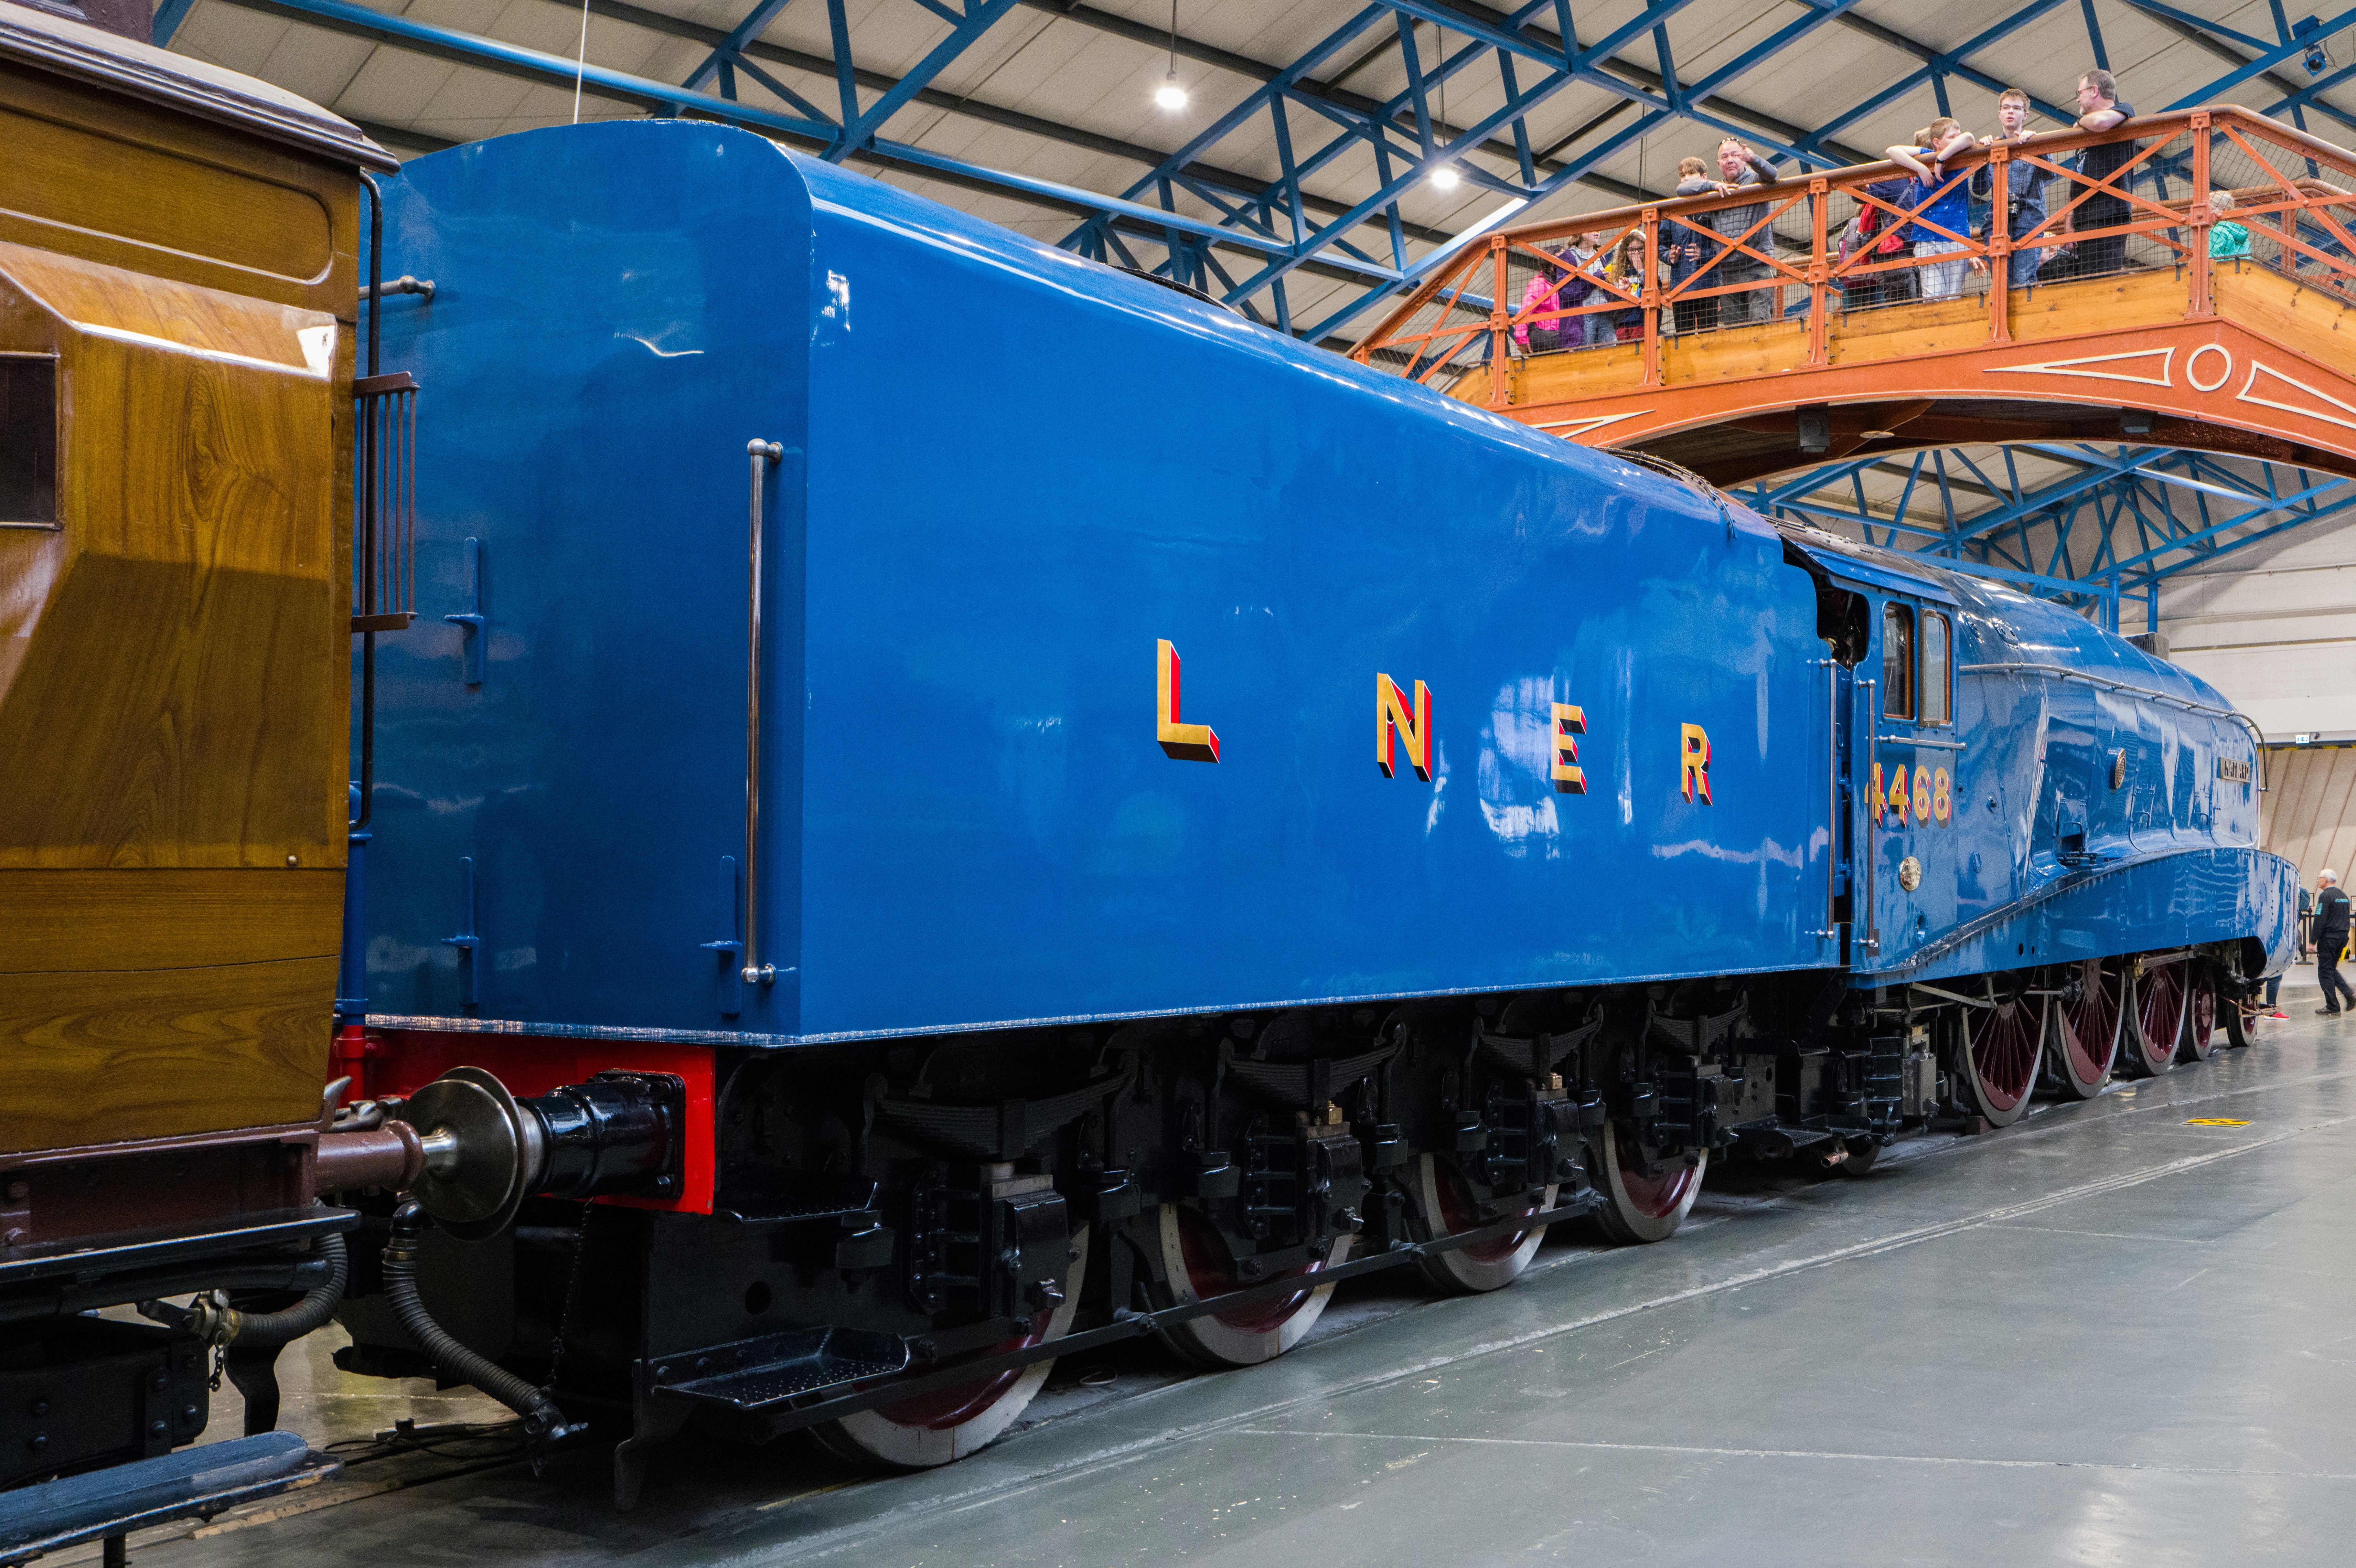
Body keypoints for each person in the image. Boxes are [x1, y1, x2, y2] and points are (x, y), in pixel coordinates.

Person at [1887, 118, 1981, 301]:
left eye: (1957, 136)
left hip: (1956, 236)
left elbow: (1969, 138)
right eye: (1951, 137)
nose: (1957, 139)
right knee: (1931, 297)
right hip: (1928, 238)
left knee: (1953, 297)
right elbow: (1892, 151)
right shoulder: (1925, 155)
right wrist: (1921, 168)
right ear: (1937, 143)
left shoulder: (1963, 156)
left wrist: (1941, 159)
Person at [2062, 69, 2137, 279]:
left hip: (2108, 214)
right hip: (2084, 218)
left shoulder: (2123, 110)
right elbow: (2078, 175)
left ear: (2094, 91)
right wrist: (2070, 221)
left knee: (2100, 281)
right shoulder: (2085, 129)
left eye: (2080, 94)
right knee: (2086, 281)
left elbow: (2100, 123)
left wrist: (2079, 123)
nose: (2078, 100)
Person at [1972, 88, 2050, 288]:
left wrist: (2037, 146)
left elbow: (2050, 174)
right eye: (2006, 108)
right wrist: (1983, 156)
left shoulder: (2033, 142)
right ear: (1999, 113)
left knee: (2023, 279)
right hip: (1997, 223)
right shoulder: (1992, 145)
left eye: (2016, 108)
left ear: (2025, 114)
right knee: (2002, 283)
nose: (2010, 112)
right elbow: (1980, 190)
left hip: (2029, 220)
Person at [1700, 138, 1782, 325]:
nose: (1730, 160)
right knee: (1734, 335)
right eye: (1725, 156)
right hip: (1729, 271)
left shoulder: (1755, 180)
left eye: (1735, 155)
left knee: (1759, 326)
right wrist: (1711, 186)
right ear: (1719, 164)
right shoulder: (1713, 191)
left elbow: (1773, 175)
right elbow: (1682, 189)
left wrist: (1755, 159)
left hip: (1758, 266)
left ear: (1743, 159)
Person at [1670, 157, 1722, 336]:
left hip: (1708, 283)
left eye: (1691, 173)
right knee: (1683, 340)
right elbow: (1660, 244)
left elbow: (1726, 247)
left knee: (1709, 338)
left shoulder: (1714, 207)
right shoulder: (1673, 209)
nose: (1686, 179)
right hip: (1680, 286)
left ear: (1704, 177)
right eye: (1683, 175)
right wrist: (1669, 256)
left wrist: (1705, 255)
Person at [2316, 870, 2354, 1015]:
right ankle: (2349, 994)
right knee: (2330, 968)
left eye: (2320, 878)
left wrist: (2313, 941)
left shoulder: (2325, 896)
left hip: (2329, 939)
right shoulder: (2343, 896)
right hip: (2343, 937)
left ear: (2326, 880)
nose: (2318, 881)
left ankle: (2333, 1006)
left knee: (2324, 971)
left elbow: (2320, 919)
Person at [2207, 189, 2251, 261]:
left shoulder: (2217, 231)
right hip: (2242, 270)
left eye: (2212, 209)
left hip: (2223, 271)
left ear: (2225, 210)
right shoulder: (2241, 233)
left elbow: (2214, 261)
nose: (2208, 213)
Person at [2298, 880, 2314, 960]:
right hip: (2298, 915)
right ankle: (2303, 953)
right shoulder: (2301, 891)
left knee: (2295, 935)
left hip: (2295, 915)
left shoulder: (2297, 891)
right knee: (2296, 934)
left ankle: (2302, 953)